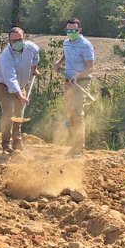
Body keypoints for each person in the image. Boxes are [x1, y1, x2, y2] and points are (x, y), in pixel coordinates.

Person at [0, 27, 40, 154]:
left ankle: (17, 142)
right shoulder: (6, 57)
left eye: (19, 39)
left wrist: (34, 68)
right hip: (4, 85)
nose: (17, 42)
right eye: (14, 40)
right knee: (9, 112)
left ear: (24, 38)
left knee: (19, 113)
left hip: (20, 85)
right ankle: (6, 144)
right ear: (9, 41)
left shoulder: (30, 47)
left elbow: (36, 54)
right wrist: (21, 97)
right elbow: (11, 81)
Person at [54, 18, 95, 157]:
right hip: (68, 82)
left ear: (79, 30)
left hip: (81, 82)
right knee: (70, 113)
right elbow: (67, 54)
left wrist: (78, 75)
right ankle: (74, 145)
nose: (71, 33)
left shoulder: (85, 45)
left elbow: (90, 67)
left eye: (74, 30)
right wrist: (59, 62)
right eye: (68, 30)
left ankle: (79, 148)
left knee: (77, 113)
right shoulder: (66, 42)